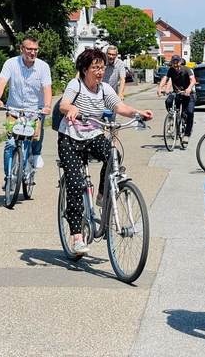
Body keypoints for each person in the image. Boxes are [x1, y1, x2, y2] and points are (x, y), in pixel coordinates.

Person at [57, 48, 152, 254]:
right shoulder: (76, 85)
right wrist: (71, 109)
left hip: (93, 135)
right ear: (84, 69)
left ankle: (101, 195)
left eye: (101, 67)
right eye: (95, 68)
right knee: (75, 183)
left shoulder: (104, 89)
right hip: (70, 139)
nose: (100, 72)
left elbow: (120, 107)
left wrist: (138, 113)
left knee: (113, 155)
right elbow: (64, 104)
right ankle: (77, 237)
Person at [0, 36, 52, 187]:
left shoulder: (43, 67)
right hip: (15, 109)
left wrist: (47, 105)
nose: (33, 53)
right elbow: (2, 81)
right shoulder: (11, 64)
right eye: (29, 49)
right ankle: (9, 177)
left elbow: (47, 88)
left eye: (35, 50)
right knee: (10, 144)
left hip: (35, 110)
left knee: (33, 139)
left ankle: (35, 155)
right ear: (21, 49)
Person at [157, 54, 196, 144]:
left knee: (189, 113)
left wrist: (189, 88)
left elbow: (193, 80)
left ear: (180, 62)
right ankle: (172, 116)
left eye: (176, 62)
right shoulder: (171, 70)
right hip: (178, 93)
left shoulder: (186, 69)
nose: (175, 64)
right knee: (168, 101)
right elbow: (165, 79)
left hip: (189, 94)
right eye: (173, 62)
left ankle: (186, 134)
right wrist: (160, 88)